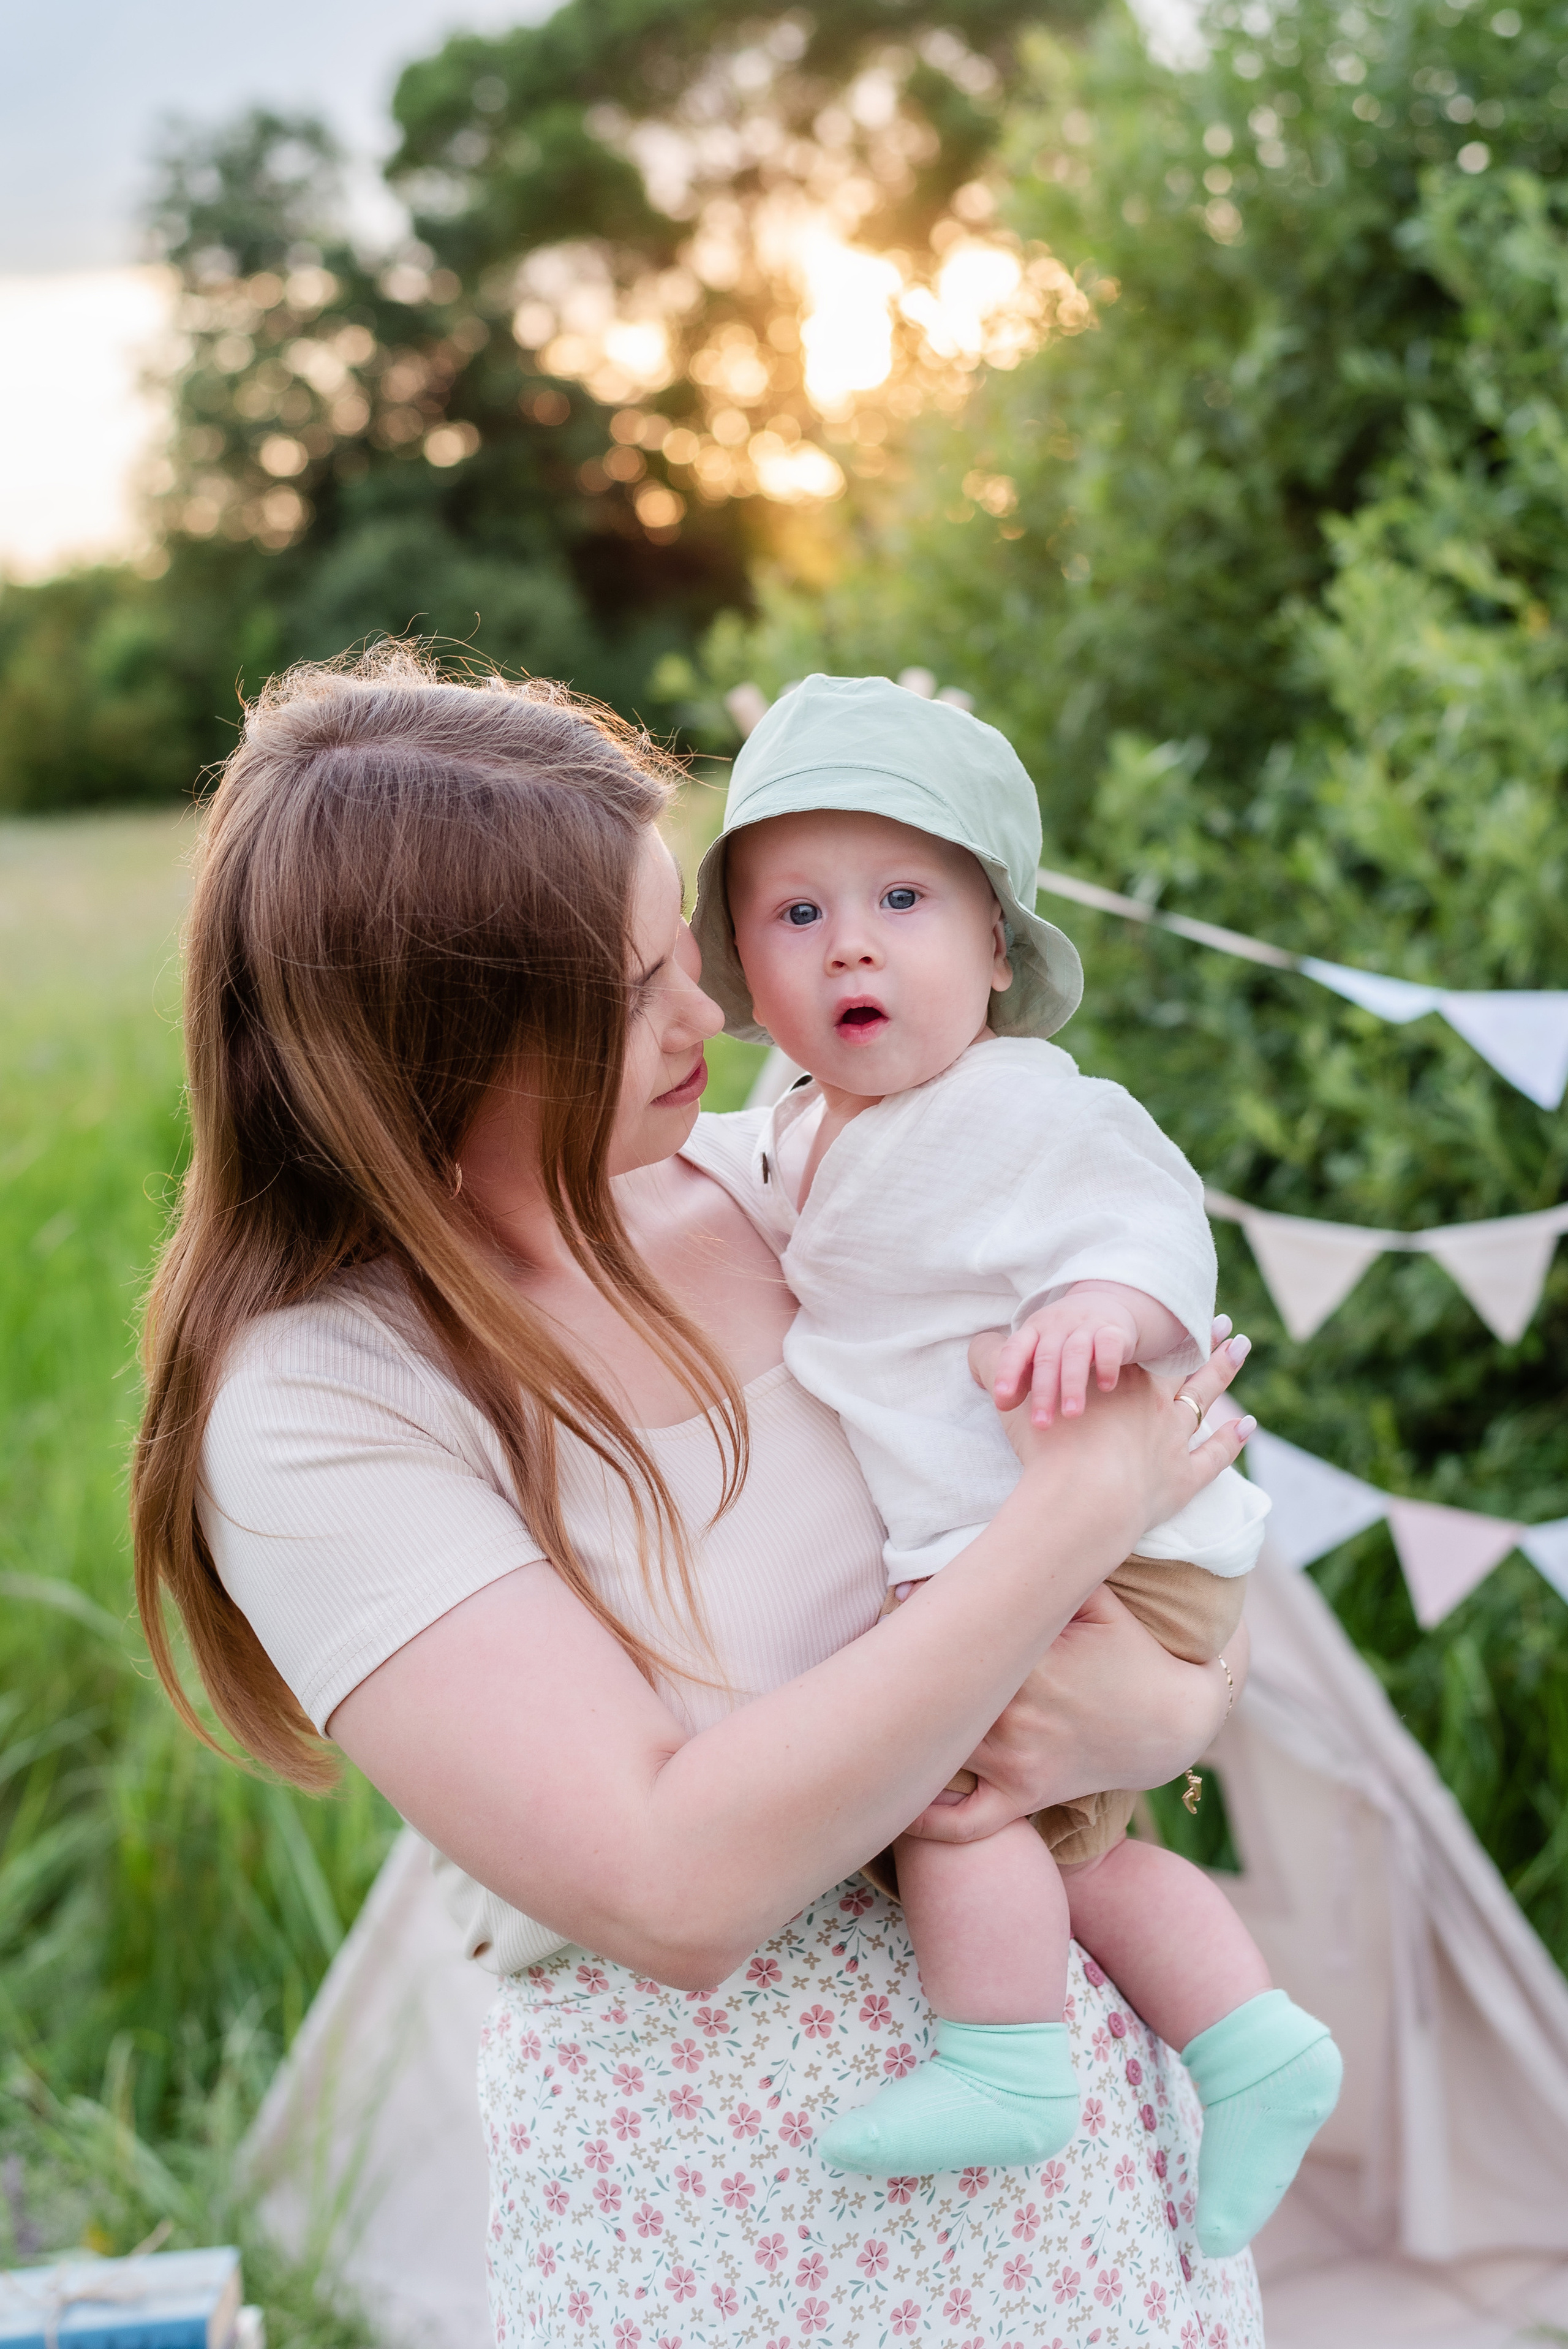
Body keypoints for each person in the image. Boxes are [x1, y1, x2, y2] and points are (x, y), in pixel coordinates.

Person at [132, 648, 1267, 2347]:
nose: (713, 1018)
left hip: (1074, 2168)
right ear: (433, 1043)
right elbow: (671, 1884)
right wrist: (1073, 1518)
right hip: (734, 2218)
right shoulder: (325, 1402)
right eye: (631, 990)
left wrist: (1164, 1709)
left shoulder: (776, 1185)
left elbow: (1173, 1570)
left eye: (688, 946)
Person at [686, 674, 1341, 2245]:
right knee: (1068, 1846)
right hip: (1031, 1560)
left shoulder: (1020, 1103)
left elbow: (1150, 1219)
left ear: (995, 950)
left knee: (949, 1803)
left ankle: (1005, 2063)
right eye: (796, 913)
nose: (850, 945)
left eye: (902, 901)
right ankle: (1251, 2045)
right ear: (743, 974)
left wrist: (1104, 1307)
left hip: (1110, 1550)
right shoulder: (789, 1133)